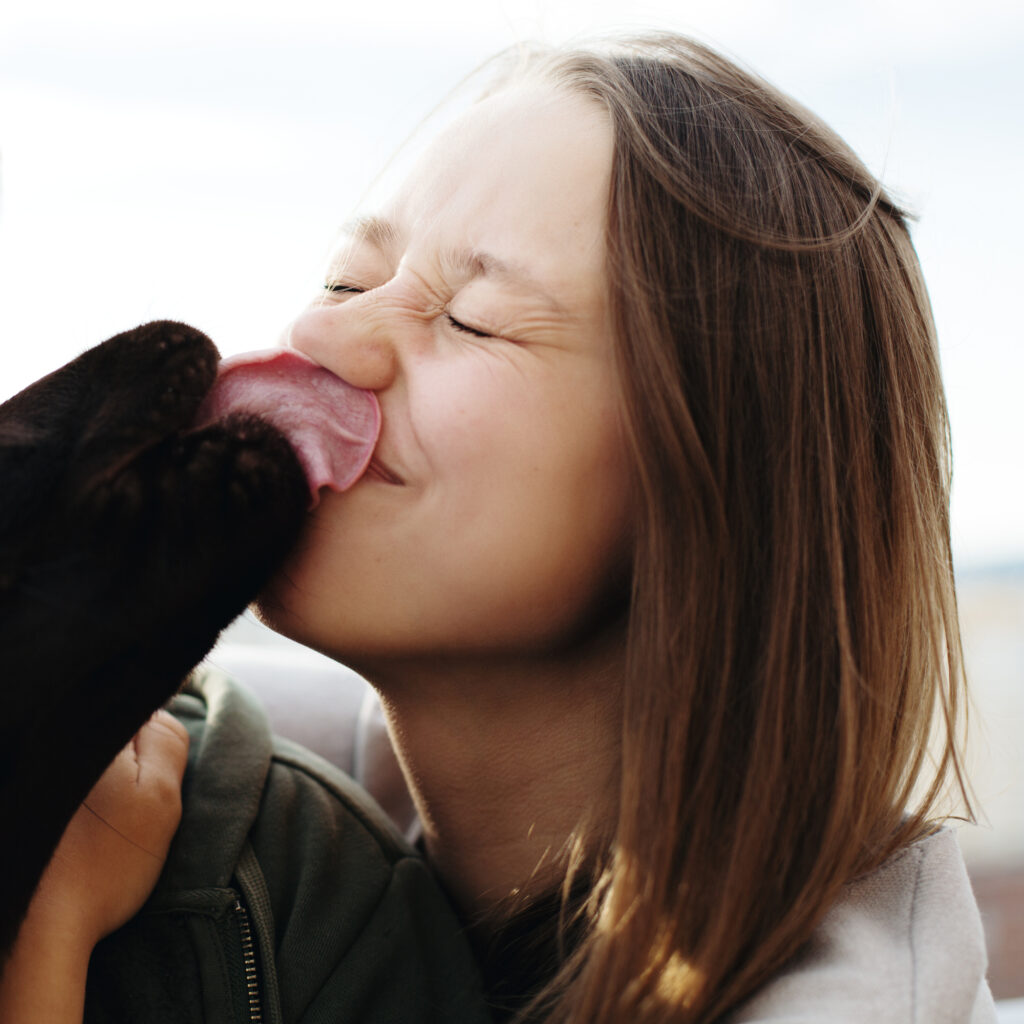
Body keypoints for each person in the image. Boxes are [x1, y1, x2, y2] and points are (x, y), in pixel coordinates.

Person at [0, 32, 996, 1024]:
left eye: (472, 319)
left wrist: (45, 938)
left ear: (714, 484)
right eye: (349, 280)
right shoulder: (163, 784)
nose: (321, 336)